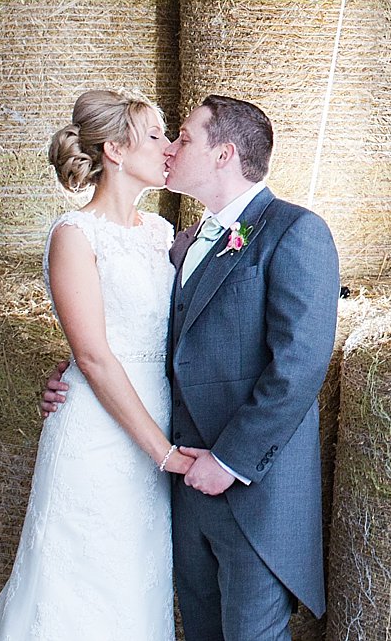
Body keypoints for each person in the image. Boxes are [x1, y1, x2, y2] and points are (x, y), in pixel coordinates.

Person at [42, 94, 341, 641]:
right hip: (173, 479)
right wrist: (78, 369)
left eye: (182, 137)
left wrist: (228, 460)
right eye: (163, 137)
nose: (172, 149)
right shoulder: (176, 239)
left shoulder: (295, 231)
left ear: (223, 155)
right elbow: (138, 334)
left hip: (251, 490)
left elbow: (298, 366)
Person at [0, 88, 189, 639]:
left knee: (134, 586)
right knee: (78, 585)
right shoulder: (74, 235)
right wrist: (164, 453)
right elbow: (94, 354)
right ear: (116, 151)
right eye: (156, 136)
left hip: (153, 419)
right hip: (99, 435)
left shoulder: (162, 234)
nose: (168, 148)